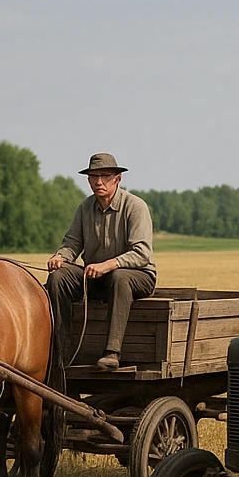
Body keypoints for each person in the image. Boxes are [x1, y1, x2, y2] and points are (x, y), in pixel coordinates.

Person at [46, 153, 157, 371]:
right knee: (58, 277)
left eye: (105, 176)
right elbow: (72, 243)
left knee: (119, 277)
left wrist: (109, 264)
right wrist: (60, 257)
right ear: (88, 180)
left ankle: (112, 352)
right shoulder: (85, 208)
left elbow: (142, 253)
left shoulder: (135, 206)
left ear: (117, 179)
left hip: (137, 276)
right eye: (94, 177)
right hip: (95, 277)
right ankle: (60, 351)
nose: (99, 182)